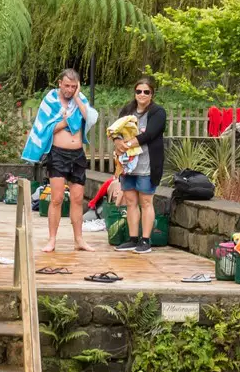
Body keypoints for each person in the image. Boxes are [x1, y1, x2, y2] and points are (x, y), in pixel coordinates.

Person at [21, 68, 99, 256]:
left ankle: (79, 240)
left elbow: (90, 118)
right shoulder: (51, 101)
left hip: (78, 154)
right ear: (59, 84)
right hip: (58, 154)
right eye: (67, 86)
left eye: (73, 86)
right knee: (56, 199)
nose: (69, 90)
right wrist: (65, 122)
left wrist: (78, 97)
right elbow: (45, 127)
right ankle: (52, 239)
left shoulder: (79, 101)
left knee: (78, 198)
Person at [111, 77, 166, 254]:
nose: (142, 95)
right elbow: (116, 129)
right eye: (139, 91)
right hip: (128, 165)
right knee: (130, 201)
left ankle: (145, 240)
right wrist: (117, 141)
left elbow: (149, 134)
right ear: (135, 93)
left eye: (146, 92)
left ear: (152, 94)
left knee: (146, 201)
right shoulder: (127, 110)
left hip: (147, 164)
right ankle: (133, 238)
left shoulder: (158, 112)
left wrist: (127, 144)